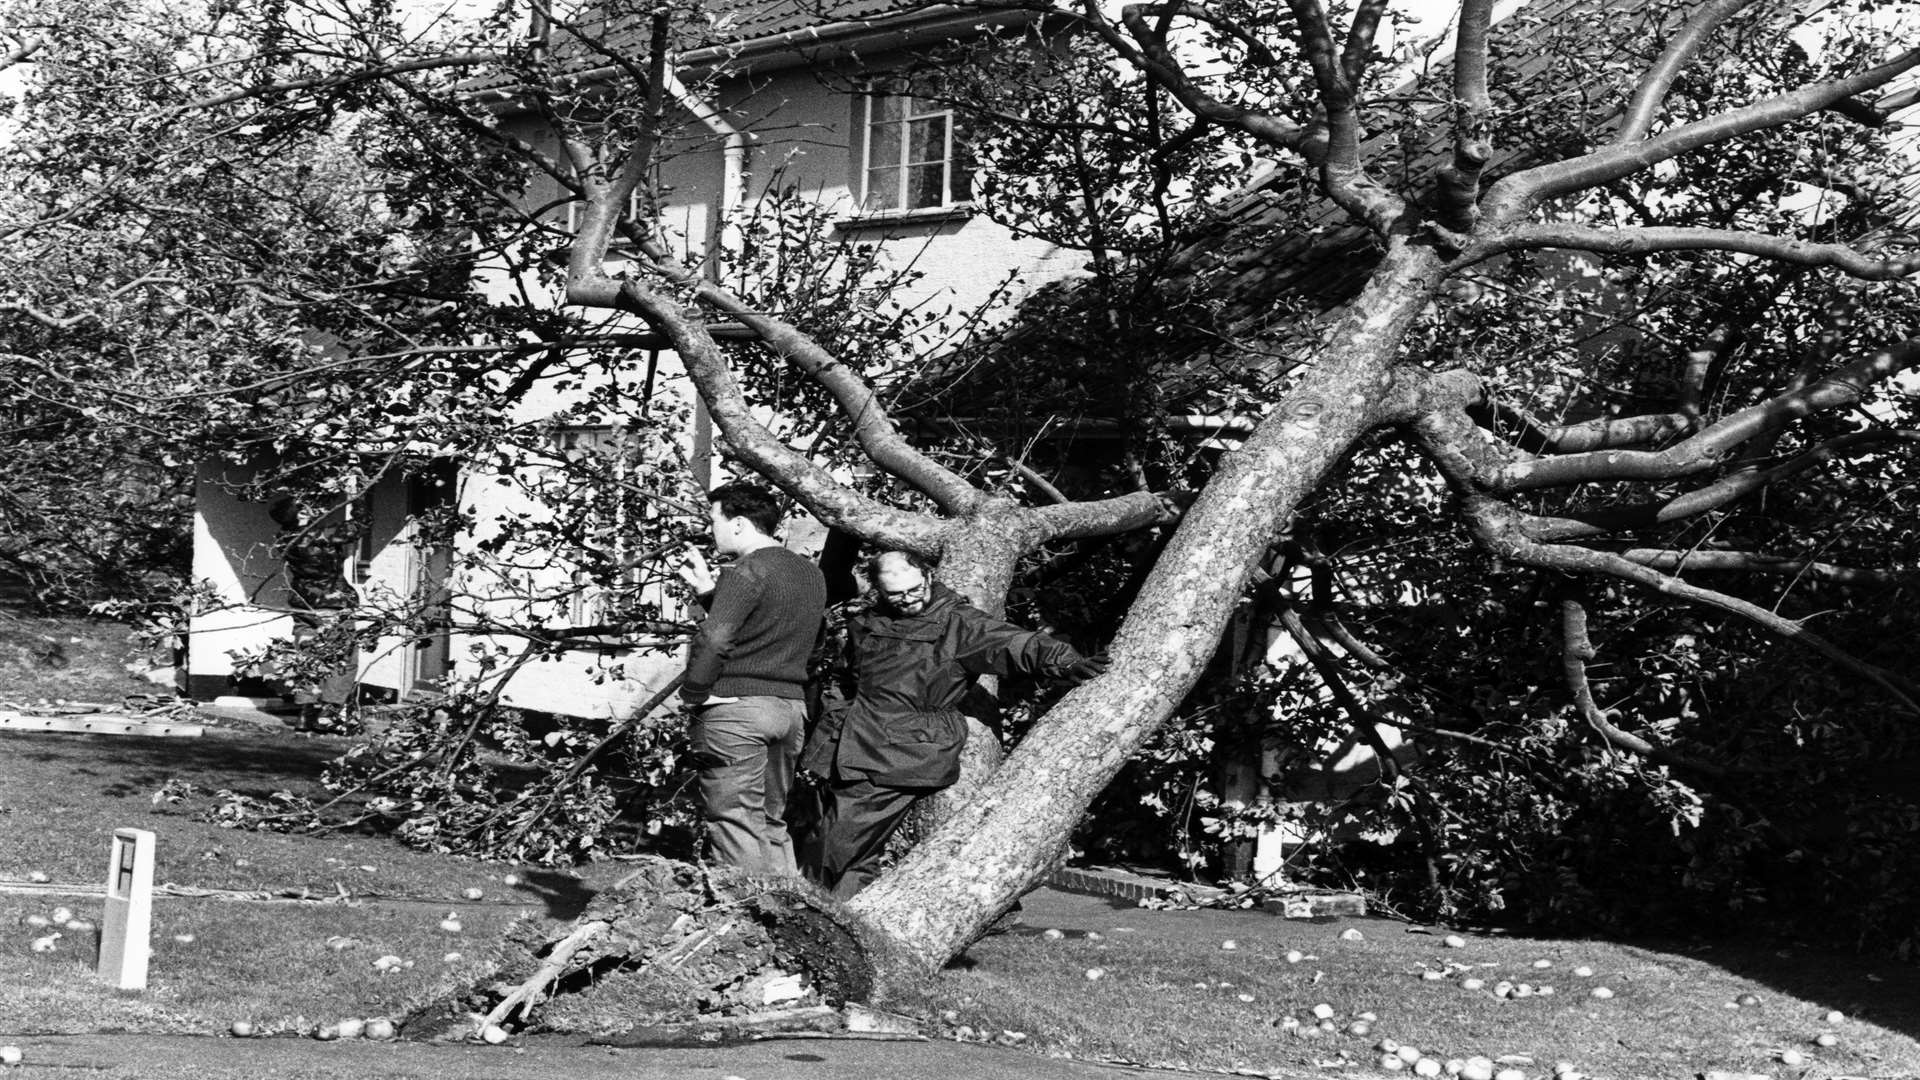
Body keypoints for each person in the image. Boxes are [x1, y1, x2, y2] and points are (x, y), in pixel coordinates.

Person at [802, 550, 1106, 898]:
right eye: (895, 594)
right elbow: (849, 676)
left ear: (928, 576)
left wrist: (1066, 662)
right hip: (852, 741)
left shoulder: (958, 623)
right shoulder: (869, 620)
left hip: (900, 749)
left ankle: (812, 910)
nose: (908, 599)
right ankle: (843, 922)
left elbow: (1015, 642)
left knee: (835, 844)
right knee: (843, 847)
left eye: (914, 589)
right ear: (879, 591)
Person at [677, 480, 827, 876]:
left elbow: (717, 637)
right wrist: (710, 593)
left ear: (739, 523)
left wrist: (693, 693)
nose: (713, 529)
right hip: (790, 710)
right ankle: (792, 924)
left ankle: (751, 924)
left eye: (715, 520)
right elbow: (781, 631)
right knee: (771, 821)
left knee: (736, 822)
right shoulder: (809, 574)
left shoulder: (745, 571)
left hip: (738, 711)